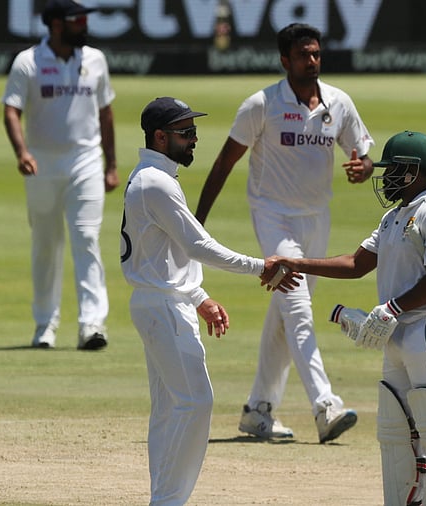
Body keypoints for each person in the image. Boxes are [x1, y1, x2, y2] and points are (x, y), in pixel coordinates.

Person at [271, 131, 426, 505]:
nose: (387, 177)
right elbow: (355, 264)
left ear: (416, 171)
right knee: (397, 432)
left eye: (395, 169)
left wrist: (394, 307)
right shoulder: (392, 217)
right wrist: (297, 262)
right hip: (396, 337)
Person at [194, 22, 374, 443]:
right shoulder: (261, 104)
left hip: (317, 218)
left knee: (284, 314)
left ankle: (259, 410)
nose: (311, 61)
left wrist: (361, 169)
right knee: (297, 309)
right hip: (273, 216)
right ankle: (325, 405)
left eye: (315, 53)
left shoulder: (339, 103)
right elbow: (224, 164)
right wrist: (196, 224)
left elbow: (363, 156)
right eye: (302, 55)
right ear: (284, 60)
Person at [120, 97, 297, 506]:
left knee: (170, 408)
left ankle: (163, 499)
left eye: (193, 131)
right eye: (186, 133)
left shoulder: (155, 176)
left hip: (163, 301)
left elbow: (163, 252)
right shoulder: (155, 181)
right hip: (162, 307)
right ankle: (168, 501)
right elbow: (199, 245)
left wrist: (198, 296)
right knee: (195, 402)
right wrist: (261, 266)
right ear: (160, 137)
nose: (194, 139)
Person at [1, 0, 118, 350]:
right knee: (46, 245)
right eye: (76, 20)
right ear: (55, 25)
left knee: (86, 237)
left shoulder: (95, 60)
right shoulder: (28, 62)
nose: (84, 25)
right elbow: (11, 110)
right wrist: (21, 152)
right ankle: (45, 326)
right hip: (42, 164)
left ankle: (92, 325)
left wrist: (111, 164)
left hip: (86, 160)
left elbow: (106, 113)